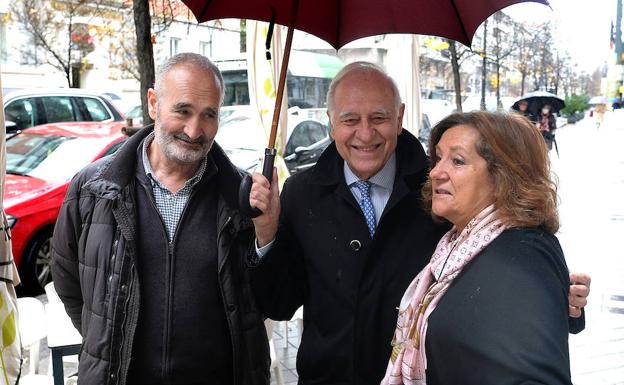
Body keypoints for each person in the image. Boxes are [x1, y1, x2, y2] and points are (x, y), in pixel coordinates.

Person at [249, 62, 590, 384]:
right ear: (331, 122)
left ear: (399, 118)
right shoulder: (302, 192)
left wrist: (555, 291)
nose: (365, 134)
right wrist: (266, 230)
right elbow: (280, 303)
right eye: (350, 119)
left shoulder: (440, 187)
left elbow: (499, 256)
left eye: (379, 117)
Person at [50, 53, 269, 385]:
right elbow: (67, 277)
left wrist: (268, 232)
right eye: (182, 111)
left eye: (209, 115)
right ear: (153, 103)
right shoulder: (93, 188)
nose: (195, 130)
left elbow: (265, 299)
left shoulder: (242, 198)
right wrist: (108, 338)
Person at [382, 111, 574, 384]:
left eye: (457, 161)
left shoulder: (524, 255)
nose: (436, 171)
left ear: (503, 177)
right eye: (438, 158)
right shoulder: (455, 243)